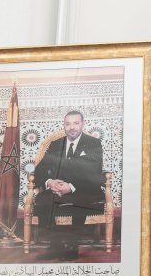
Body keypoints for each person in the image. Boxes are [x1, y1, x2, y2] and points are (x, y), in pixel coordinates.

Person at [33, 110, 104, 261]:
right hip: (56, 189)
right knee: (42, 200)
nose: (72, 127)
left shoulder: (93, 143)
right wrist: (50, 182)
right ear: (64, 126)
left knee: (79, 201)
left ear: (83, 124)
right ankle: (55, 246)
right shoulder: (55, 145)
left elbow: (94, 172)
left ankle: (72, 247)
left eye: (76, 123)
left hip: (83, 189)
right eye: (68, 124)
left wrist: (70, 186)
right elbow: (39, 170)